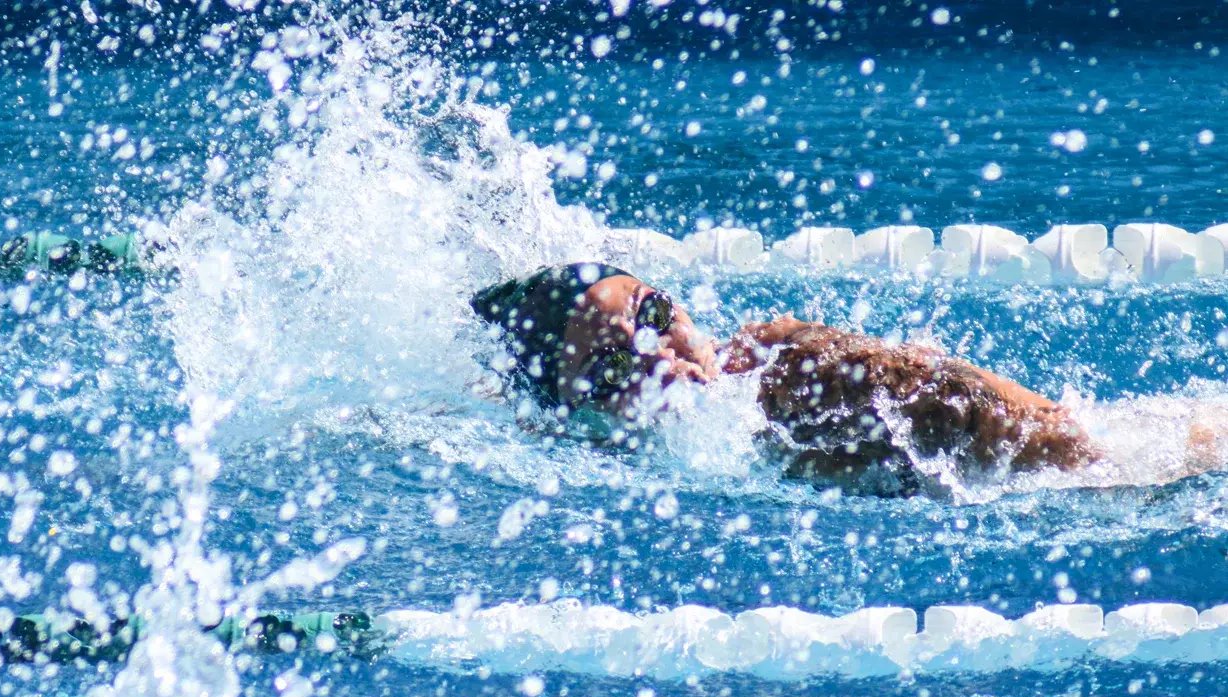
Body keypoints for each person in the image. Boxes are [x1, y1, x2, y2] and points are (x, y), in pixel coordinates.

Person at [471, 262, 1105, 494]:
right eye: (612, 370)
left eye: (654, 316)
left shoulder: (790, 369)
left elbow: (1059, 442)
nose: (661, 360)